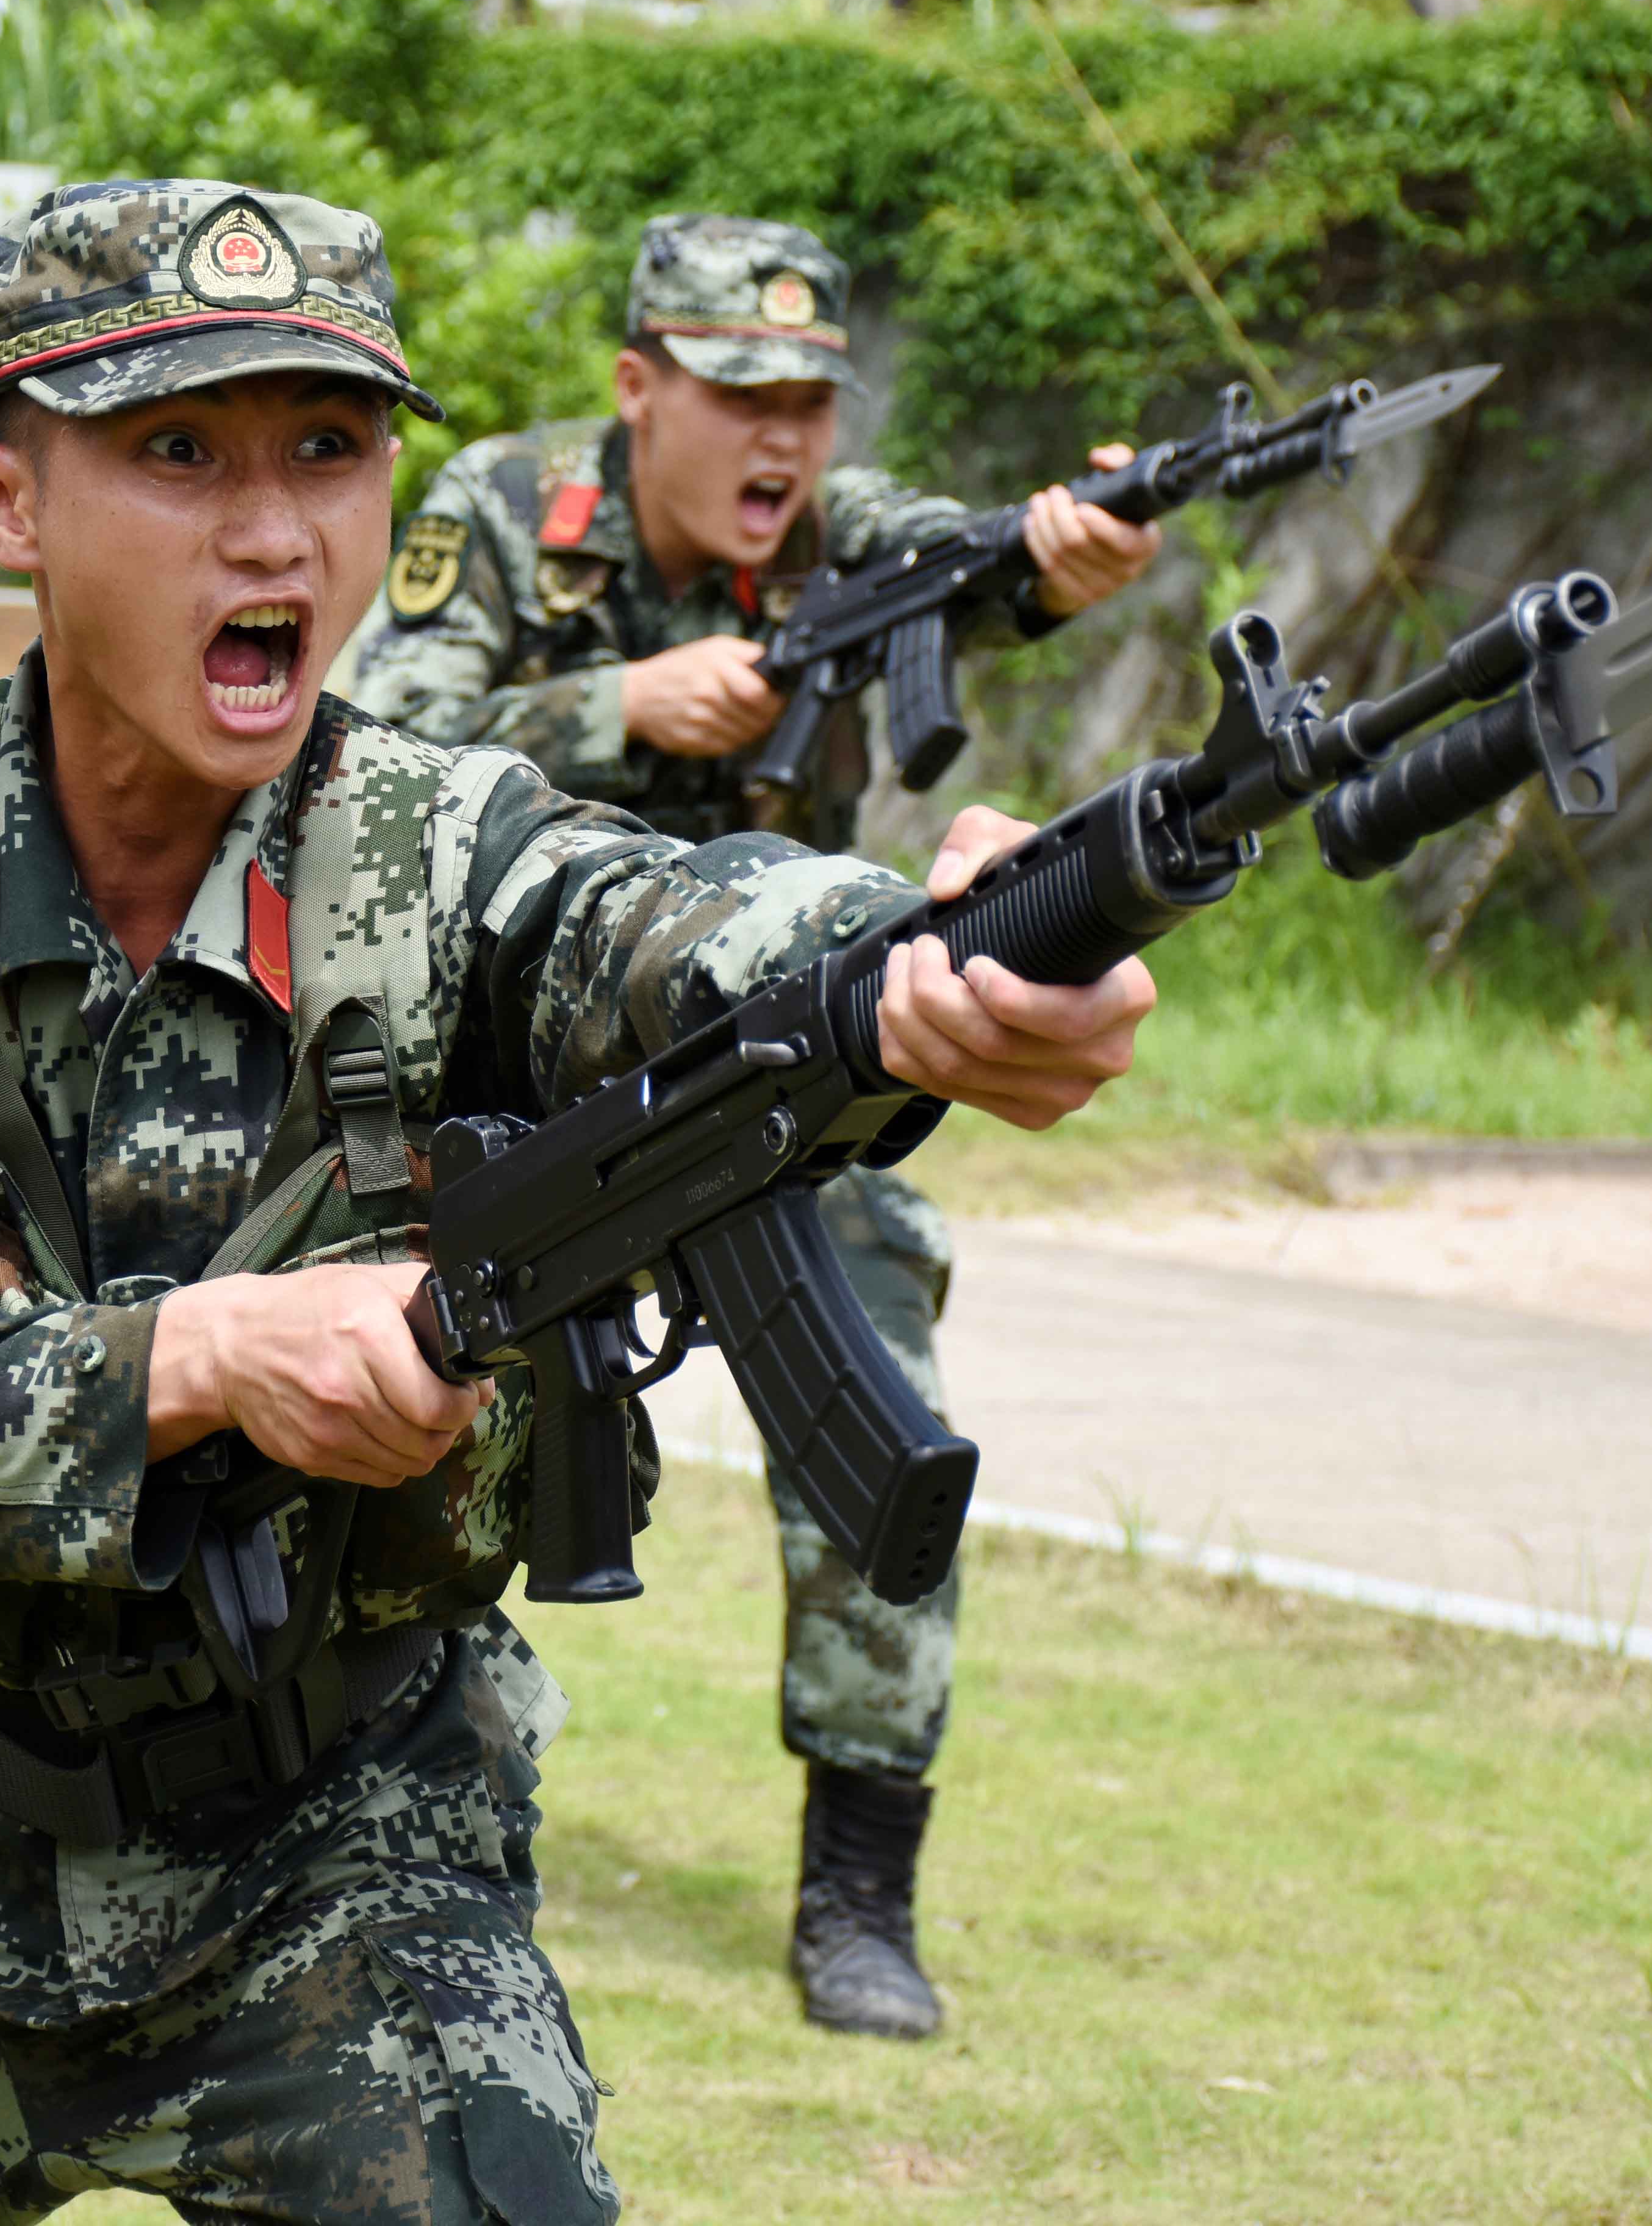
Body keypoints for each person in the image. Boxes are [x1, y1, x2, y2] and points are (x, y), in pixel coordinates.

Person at [0, 178, 1155, 2221]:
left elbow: (666, 920)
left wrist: (930, 951)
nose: (273, 530)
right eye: (177, 453)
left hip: (334, 1872)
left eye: (330, 449)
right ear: (5, 498)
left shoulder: (446, 846)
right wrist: (206, 1356)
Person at [338, 211, 1163, 2039]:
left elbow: (988, 561)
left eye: (809, 392)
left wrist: (1080, 541)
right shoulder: (500, 505)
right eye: (737, 392)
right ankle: (368, 1845)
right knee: (386, 1429)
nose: (780, 436)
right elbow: (366, 733)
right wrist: (606, 702)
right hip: (504, 1065)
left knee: (883, 1407)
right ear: (641, 390)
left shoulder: (846, 536)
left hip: (789, 1070)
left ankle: (862, 1890)